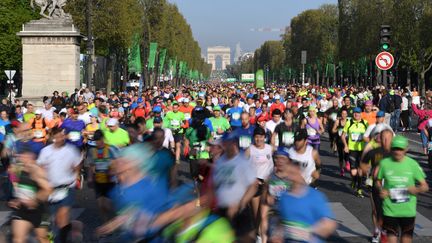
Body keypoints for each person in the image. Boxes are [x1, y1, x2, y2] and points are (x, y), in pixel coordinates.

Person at [271, 153, 337, 243]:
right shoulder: (284, 197)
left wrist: (307, 231)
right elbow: (280, 221)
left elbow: (329, 225)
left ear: (300, 173)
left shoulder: (315, 196)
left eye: (293, 173)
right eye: (289, 174)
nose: (291, 177)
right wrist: (277, 234)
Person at [376, 135, 429, 243]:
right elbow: (377, 180)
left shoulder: (412, 164)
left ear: (406, 149)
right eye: (395, 148)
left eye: (400, 149)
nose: (397, 152)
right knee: (391, 240)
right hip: (390, 210)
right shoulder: (384, 163)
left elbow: (425, 186)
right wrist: (381, 189)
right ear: (391, 148)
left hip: (408, 211)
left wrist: (416, 189)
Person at [37, 127, 82, 242]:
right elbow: (40, 168)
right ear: (52, 138)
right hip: (51, 189)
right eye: (57, 137)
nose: (60, 139)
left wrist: (75, 177)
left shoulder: (71, 150)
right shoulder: (45, 151)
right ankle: (75, 226)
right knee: (56, 219)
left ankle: (61, 240)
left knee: (62, 216)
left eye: (62, 136)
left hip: (67, 187)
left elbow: (77, 166)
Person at [212, 132, 257, 242]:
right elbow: (216, 185)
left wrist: (240, 204)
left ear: (234, 144)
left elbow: (253, 186)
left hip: (240, 210)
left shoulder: (242, 162)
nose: (226, 146)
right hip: (222, 209)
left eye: (229, 143)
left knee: (246, 239)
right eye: (224, 143)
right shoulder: (219, 162)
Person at [9, 148, 52, 243]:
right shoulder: (18, 169)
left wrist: (35, 200)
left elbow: (48, 189)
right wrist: (18, 200)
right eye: (22, 156)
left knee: (42, 238)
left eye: (27, 156)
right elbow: (18, 186)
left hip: (40, 211)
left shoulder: (37, 171)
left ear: (33, 157)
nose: (24, 159)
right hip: (23, 209)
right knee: (18, 239)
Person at [360, 128, 393, 242]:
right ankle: (377, 231)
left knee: (390, 211)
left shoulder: (397, 153)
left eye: (388, 138)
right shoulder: (374, 151)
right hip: (375, 184)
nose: (386, 140)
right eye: (384, 138)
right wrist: (367, 172)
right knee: (376, 210)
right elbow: (363, 165)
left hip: (392, 186)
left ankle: (386, 231)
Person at [87, 130, 117, 223]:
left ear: (103, 139)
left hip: (109, 181)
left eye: (99, 140)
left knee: (107, 206)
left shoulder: (111, 149)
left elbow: (118, 162)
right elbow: (91, 165)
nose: (97, 143)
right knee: (100, 205)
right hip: (98, 180)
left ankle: (112, 220)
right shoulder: (92, 151)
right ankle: (105, 223)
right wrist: (90, 177)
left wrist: (113, 171)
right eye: (95, 141)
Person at [245, 127, 273, 225]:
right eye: (256, 137)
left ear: (264, 137)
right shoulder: (249, 150)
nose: (259, 139)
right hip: (254, 185)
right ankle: (257, 235)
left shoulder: (270, 148)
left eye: (261, 137)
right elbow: (242, 167)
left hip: (267, 184)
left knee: (265, 213)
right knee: (256, 214)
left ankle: (263, 235)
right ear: (253, 138)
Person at [341, 107, 368, 197]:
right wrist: (345, 146)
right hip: (352, 149)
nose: (356, 114)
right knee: (353, 172)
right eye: (355, 113)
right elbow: (343, 135)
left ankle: (359, 189)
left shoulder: (365, 123)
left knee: (360, 170)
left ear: (361, 114)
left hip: (362, 150)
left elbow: (370, 136)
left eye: (358, 113)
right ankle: (354, 180)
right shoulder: (349, 123)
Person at [332, 109, 350, 176]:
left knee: (347, 153)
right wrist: (337, 129)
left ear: (347, 115)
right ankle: (341, 169)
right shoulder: (337, 121)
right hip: (339, 140)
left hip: (347, 139)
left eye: (345, 114)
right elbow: (333, 130)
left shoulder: (349, 121)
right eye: (342, 114)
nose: (344, 115)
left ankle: (347, 162)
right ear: (341, 114)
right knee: (341, 156)